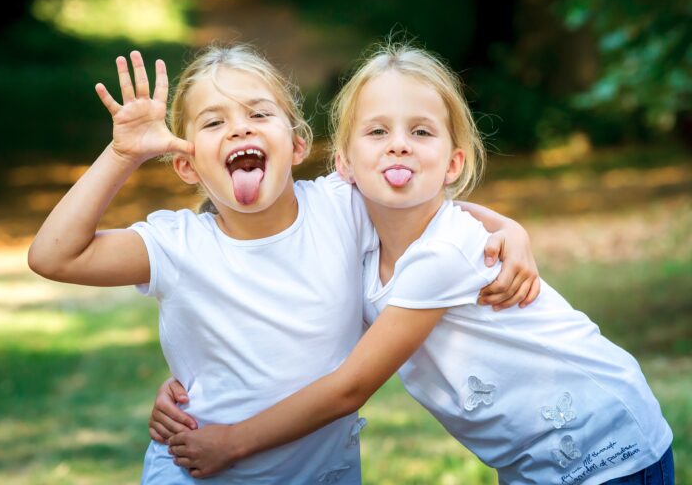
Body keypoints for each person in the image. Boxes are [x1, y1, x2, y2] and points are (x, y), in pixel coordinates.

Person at [161, 43, 674, 485]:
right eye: (378, 131)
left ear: (453, 163)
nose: (399, 144)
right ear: (344, 163)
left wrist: (233, 442)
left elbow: (351, 388)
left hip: (608, 445)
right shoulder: (361, 253)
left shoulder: (445, 253)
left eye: (421, 132)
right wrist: (202, 390)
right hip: (534, 463)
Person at [27, 44, 538, 484]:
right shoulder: (175, 245)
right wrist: (122, 154)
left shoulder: (341, 206)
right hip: (198, 469)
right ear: (186, 164)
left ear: (296, 145)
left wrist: (508, 230)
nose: (238, 129)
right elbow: (53, 255)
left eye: (258, 114)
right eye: (213, 122)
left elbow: (422, 199)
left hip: (322, 472)